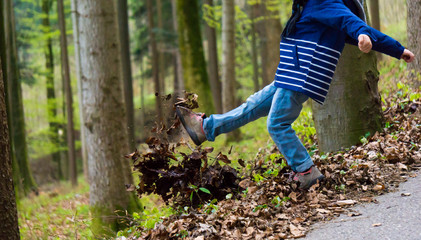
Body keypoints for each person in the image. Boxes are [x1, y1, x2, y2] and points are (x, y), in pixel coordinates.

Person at [176, 0, 415, 190]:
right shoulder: (308, 5)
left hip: (303, 74)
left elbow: (352, 23)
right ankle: (205, 128)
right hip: (292, 72)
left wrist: (363, 36)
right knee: (253, 106)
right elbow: (358, 25)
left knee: (277, 123)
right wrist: (399, 49)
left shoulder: (323, 2)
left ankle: (306, 171)